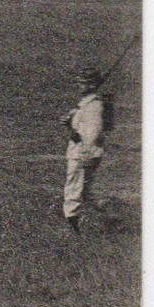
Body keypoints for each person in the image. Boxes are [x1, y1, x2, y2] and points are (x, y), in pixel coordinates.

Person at [62, 67, 111, 234]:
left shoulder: (93, 106)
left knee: (73, 188)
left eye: (82, 83)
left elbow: (93, 134)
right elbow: (80, 125)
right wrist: (69, 122)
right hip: (80, 151)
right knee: (83, 190)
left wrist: (85, 155)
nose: (78, 85)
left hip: (83, 153)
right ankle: (110, 215)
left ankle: (72, 227)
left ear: (91, 85)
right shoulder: (86, 103)